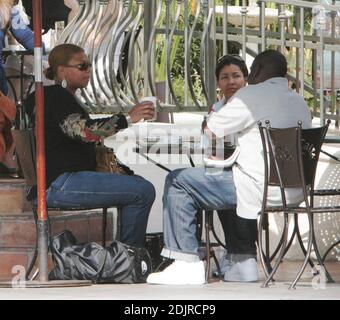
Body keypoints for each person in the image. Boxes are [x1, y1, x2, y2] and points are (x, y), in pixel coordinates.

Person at [146, 49, 312, 285]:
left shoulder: (252, 95)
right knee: (228, 176)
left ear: (257, 71)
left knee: (179, 180)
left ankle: (186, 263)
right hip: (296, 191)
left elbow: (212, 129)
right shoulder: (298, 99)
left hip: (260, 189)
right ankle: (243, 263)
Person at [25, 43, 156, 247]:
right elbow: (86, 132)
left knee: (135, 184)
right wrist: (128, 118)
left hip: (54, 182)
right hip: (60, 183)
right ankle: (129, 257)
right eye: (82, 66)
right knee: (142, 191)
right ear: (61, 70)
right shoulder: (56, 97)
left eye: (89, 65)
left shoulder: (46, 96)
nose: (88, 70)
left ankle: (123, 256)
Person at [203, 54, 258, 278]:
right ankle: (232, 252)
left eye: (236, 76)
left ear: (245, 79)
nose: (231, 81)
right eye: (225, 77)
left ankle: (239, 254)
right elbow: (209, 140)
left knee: (223, 181)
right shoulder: (216, 108)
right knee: (211, 179)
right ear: (218, 83)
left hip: (250, 172)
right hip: (224, 166)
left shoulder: (251, 104)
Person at [0, 0, 35, 175]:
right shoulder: (6, 8)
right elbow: (25, 36)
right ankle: (6, 162)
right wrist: (43, 51)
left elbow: (25, 36)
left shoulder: (7, 7)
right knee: (6, 118)